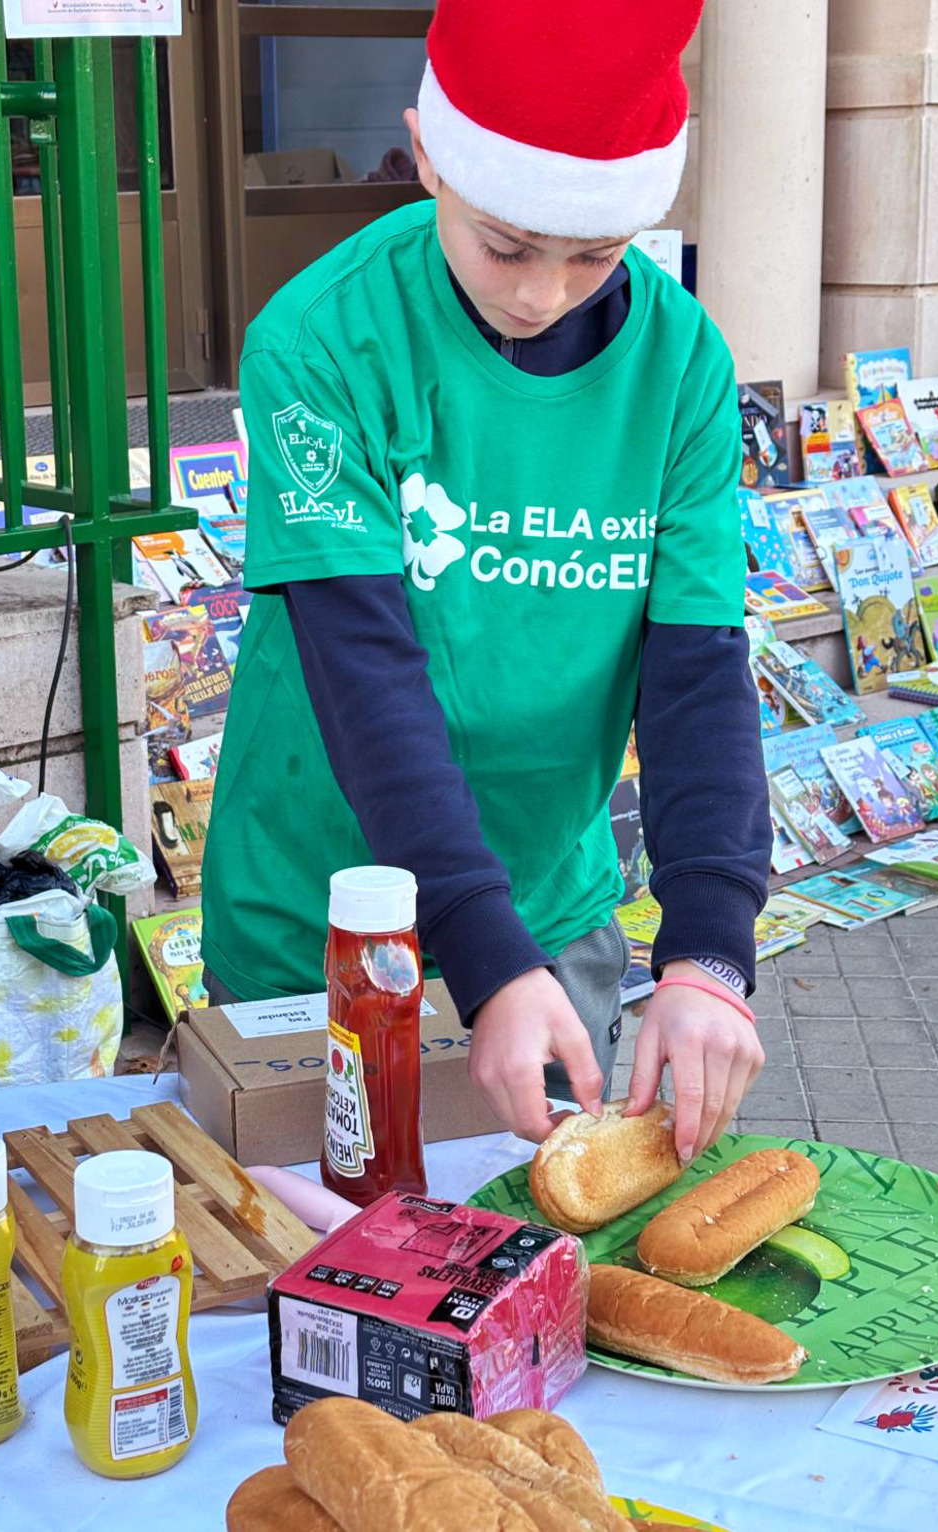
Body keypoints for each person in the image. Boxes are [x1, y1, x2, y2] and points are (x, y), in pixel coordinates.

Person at [202, 0, 772, 1168]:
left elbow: (697, 670)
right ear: (425, 155)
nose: (541, 293)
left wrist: (709, 949)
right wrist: (477, 946)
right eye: (507, 244)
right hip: (321, 914)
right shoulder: (322, 340)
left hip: (552, 906)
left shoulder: (683, 366)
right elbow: (368, 676)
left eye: (595, 254)